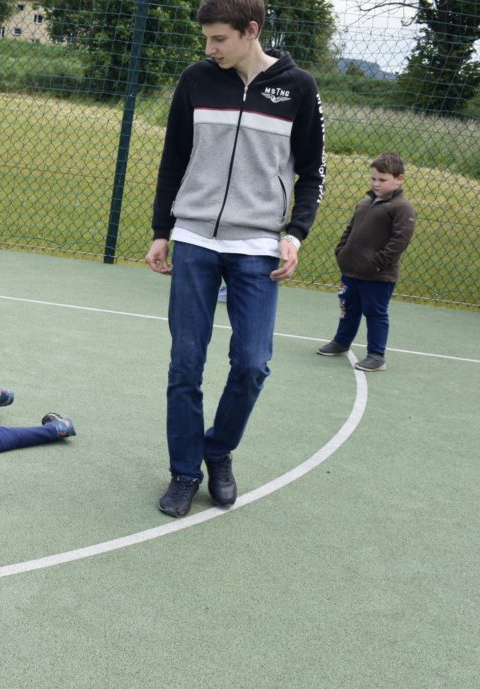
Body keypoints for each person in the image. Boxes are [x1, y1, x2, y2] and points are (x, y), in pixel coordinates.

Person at [143, 0, 326, 517]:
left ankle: (218, 450)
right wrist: (162, 231)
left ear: (251, 31)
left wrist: (295, 235)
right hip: (195, 238)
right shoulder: (196, 80)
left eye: (219, 38)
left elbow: (312, 172)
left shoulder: (298, 88)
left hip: (258, 247)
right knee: (185, 363)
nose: (210, 48)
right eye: (206, 38)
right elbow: (173, 158)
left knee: (252, 364)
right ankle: (184, 472)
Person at [317, 152, 416, 372]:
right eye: (373, 178)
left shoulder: (401, 208)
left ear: (399, 179)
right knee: (348, 308)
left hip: (378, 275)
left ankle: (376, 355)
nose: (376, 184)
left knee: (375, 313)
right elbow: (350, 228)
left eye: (382, 180)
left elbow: (399, 241)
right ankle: (341, 342)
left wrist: (377, 263)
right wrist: (341, 251)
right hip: (351, 271)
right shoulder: (365, 201)